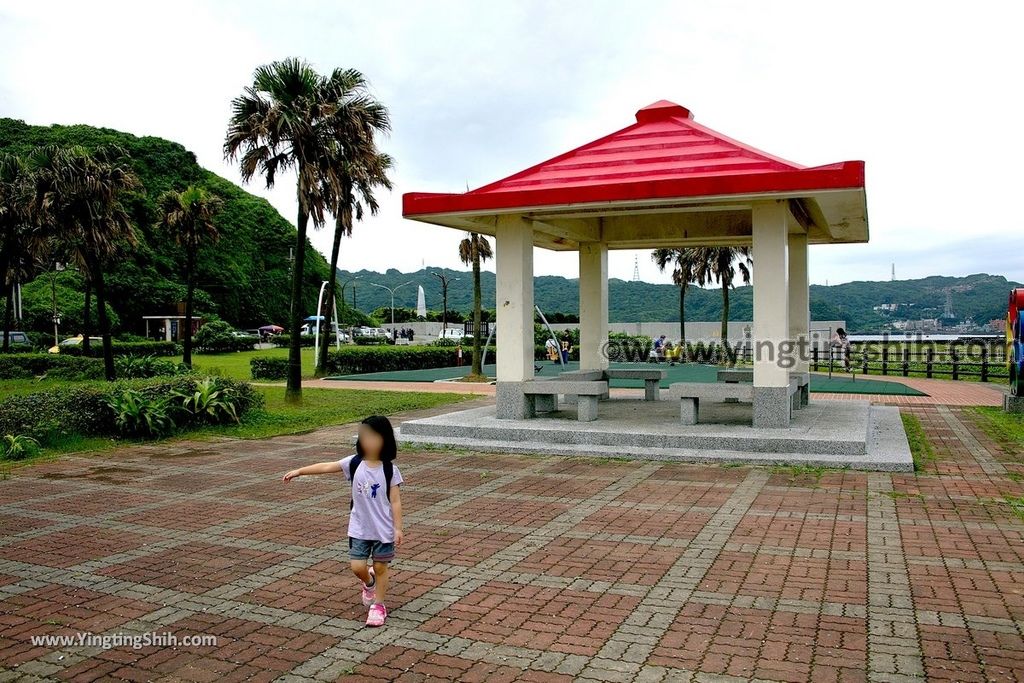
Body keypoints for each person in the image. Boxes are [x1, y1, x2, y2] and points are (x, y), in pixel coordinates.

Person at [282, 416, 404, 627]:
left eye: (373, 437)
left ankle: (379, 605)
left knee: (381, 566)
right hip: (359, 528)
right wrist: (300, 471)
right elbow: (327, 467)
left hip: (383, 529)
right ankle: (368, 582)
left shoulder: (389, 470)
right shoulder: (354, 463)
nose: (368, 441)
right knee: (357, 567)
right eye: (364, 436)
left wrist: (398, 527)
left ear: (385, 439)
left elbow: (395, 501)